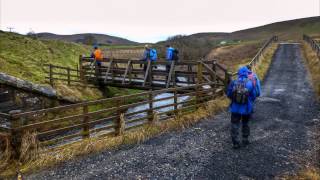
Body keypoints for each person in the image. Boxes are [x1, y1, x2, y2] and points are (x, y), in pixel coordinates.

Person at [227, 66, 257, 149]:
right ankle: (245, 139)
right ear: (247, 73)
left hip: (235, 108)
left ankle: (235, 142)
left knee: (234, 124)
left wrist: (234, 99)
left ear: (239, 73)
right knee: (245, 123)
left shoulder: (233, 82)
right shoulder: (250, 83)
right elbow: (254, 96)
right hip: (246, 108)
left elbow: (228, 94)